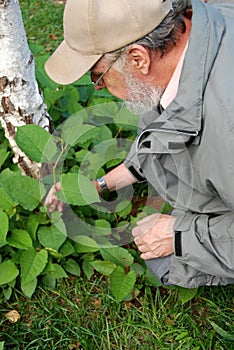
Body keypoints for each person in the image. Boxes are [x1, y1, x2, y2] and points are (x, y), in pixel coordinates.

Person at [45, 0, 234, 287]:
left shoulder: (227, 125)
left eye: (98, 76)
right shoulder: (198, 31)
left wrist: (179, 235)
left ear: (137, 58)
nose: (100, 87)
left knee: (163, 257)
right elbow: (171, 123)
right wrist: (101, 184)